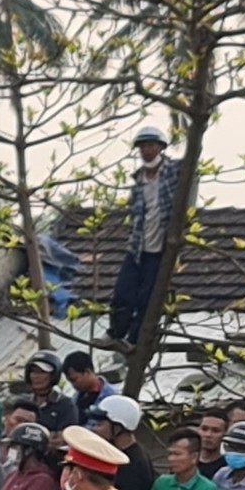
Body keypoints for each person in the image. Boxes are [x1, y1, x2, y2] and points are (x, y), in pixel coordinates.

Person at [104, 126, 181, 351]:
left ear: (160, 147)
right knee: (122, 292)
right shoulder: (139, 180)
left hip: (160, 249)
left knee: (147, 297)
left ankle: (134, 338)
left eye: (151, 145)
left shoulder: (174, 172)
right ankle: (116, 332)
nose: (147, 150)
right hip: (138, 245)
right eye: (143, 146)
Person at [85, 394, 154, 490]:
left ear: (118, 428)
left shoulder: (132, 464)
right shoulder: (121, 455)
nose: (95, 429)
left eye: (100, 424)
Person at [23, 350, 78, 435]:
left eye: (42, 372)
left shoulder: (66, 405)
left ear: (54, 375)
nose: (36, 376)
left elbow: (67, 437)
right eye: (33, 371)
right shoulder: (23, 404)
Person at [63, 351, 114, 421]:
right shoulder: (77, 396)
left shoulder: (111, 398)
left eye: (74, 380)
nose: (73, 385)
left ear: (87, 372)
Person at [194, 406, 229, 479]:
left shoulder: (227, 467)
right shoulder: (188, 463)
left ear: (225, 434)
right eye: (204, 429)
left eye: (215, 431)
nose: (208, 435)